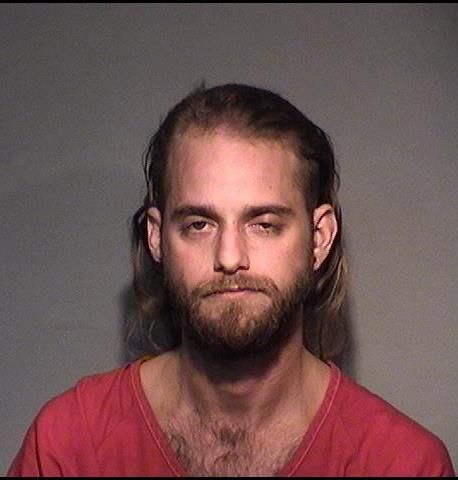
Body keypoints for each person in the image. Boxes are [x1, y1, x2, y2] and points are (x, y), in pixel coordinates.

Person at [7, 83, 455, 477]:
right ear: (157, 238)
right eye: (199, 225)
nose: (229, 257)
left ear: (319, 238)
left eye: (264, 224)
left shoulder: (402, 464)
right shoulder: (70, 445)